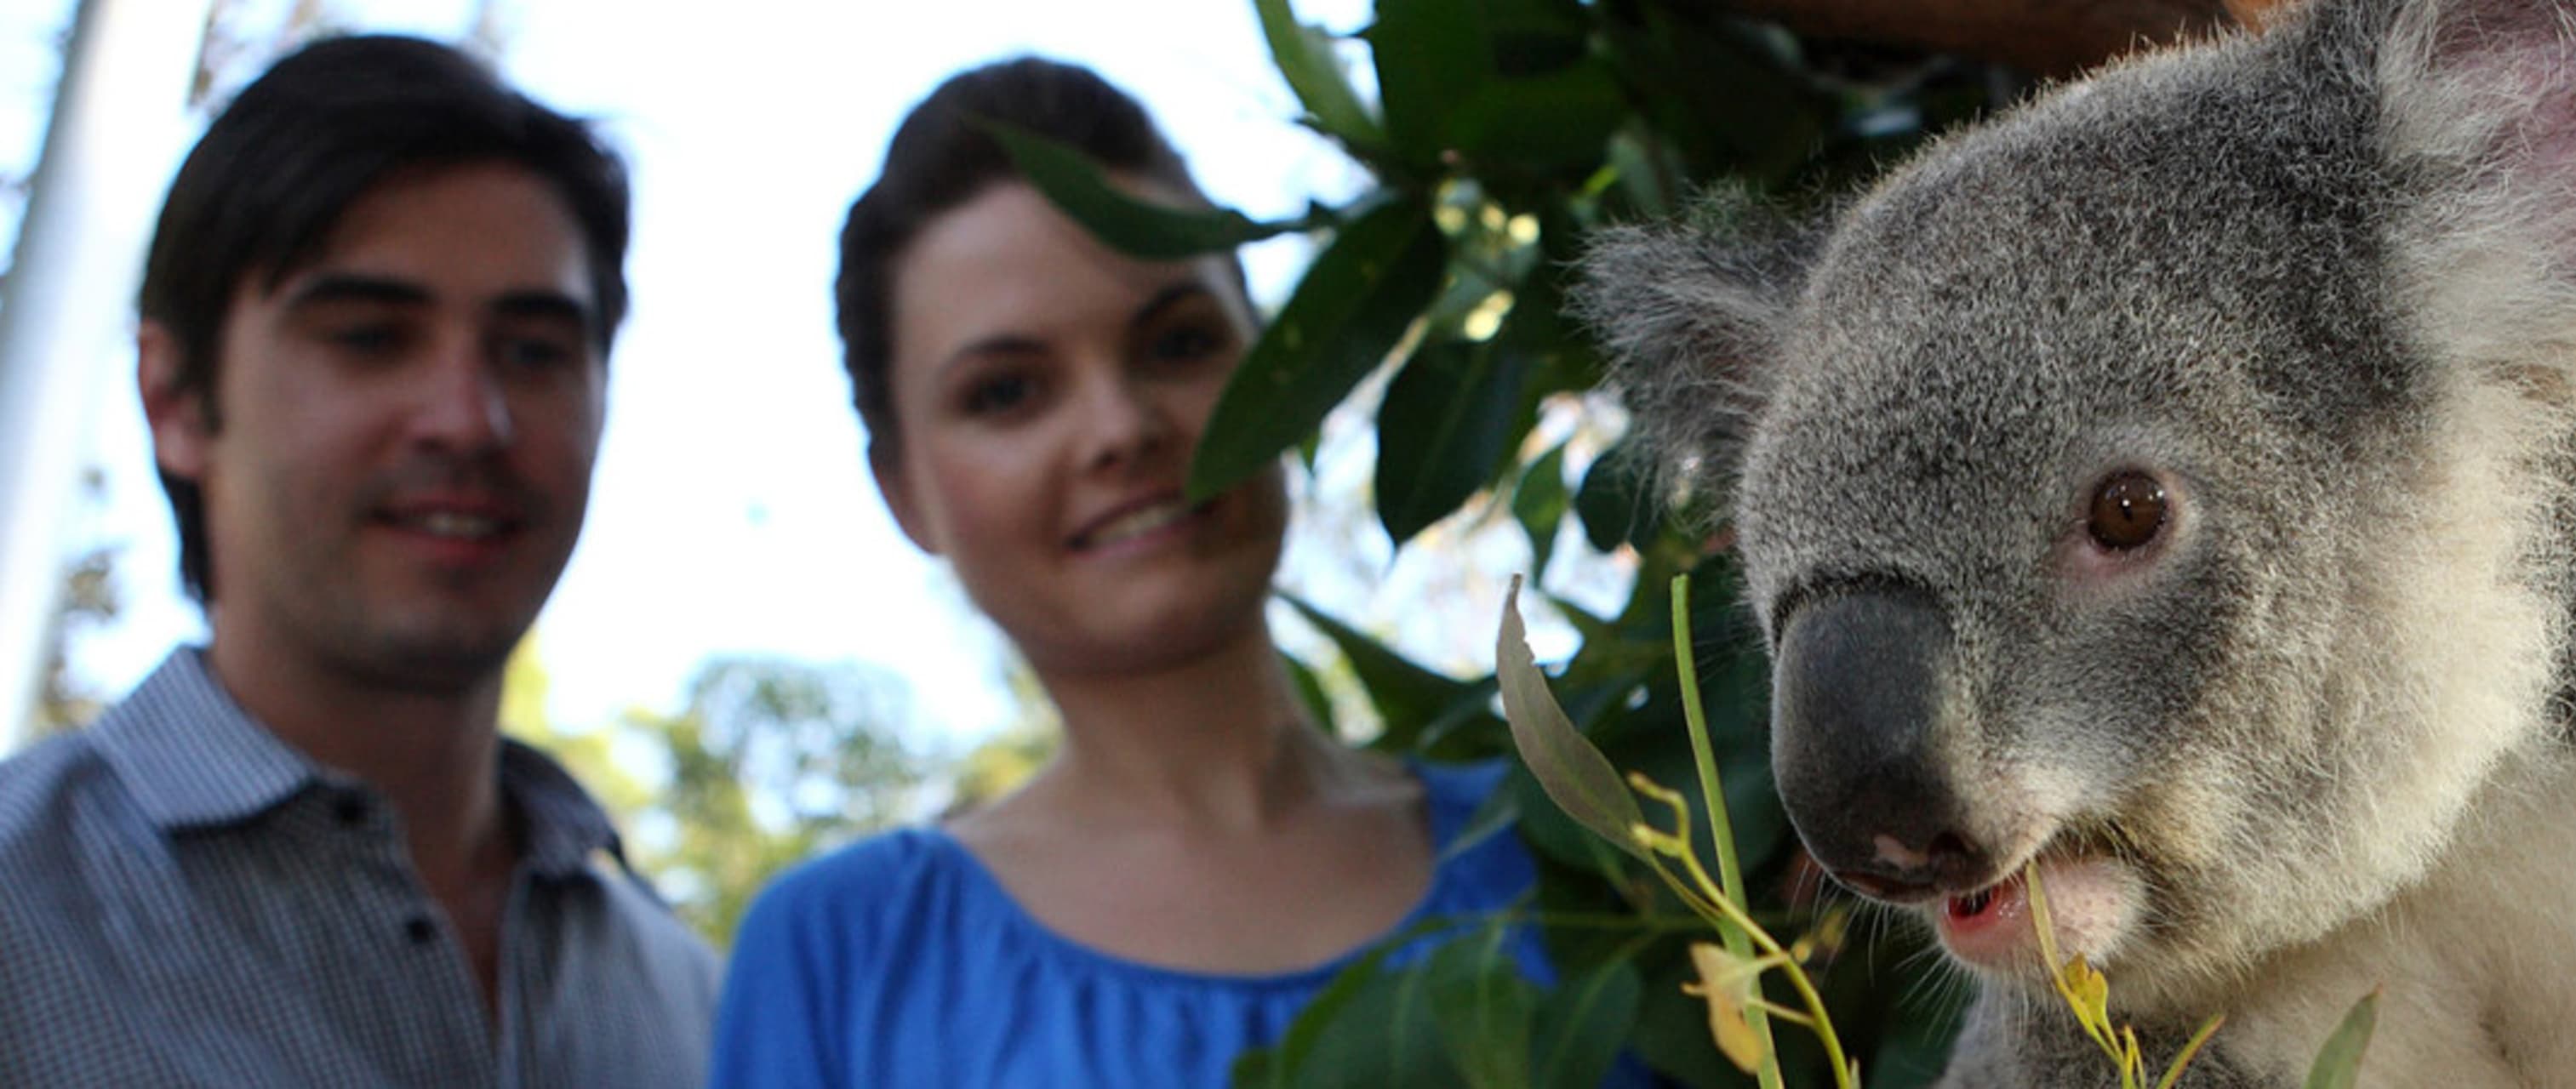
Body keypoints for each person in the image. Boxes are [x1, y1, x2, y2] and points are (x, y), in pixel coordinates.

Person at [707, 57, 1621, 1086]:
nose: (1122, 428)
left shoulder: (1593, 839)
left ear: (1281, 368)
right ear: (903, 489)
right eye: (1007, 391)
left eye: (1180, 343)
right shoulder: (844, 955)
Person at [0, 35, 717, 1086]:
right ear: (176, 399)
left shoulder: (707, 1006)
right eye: (371, 336)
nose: (469, 419)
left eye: (534, 350)